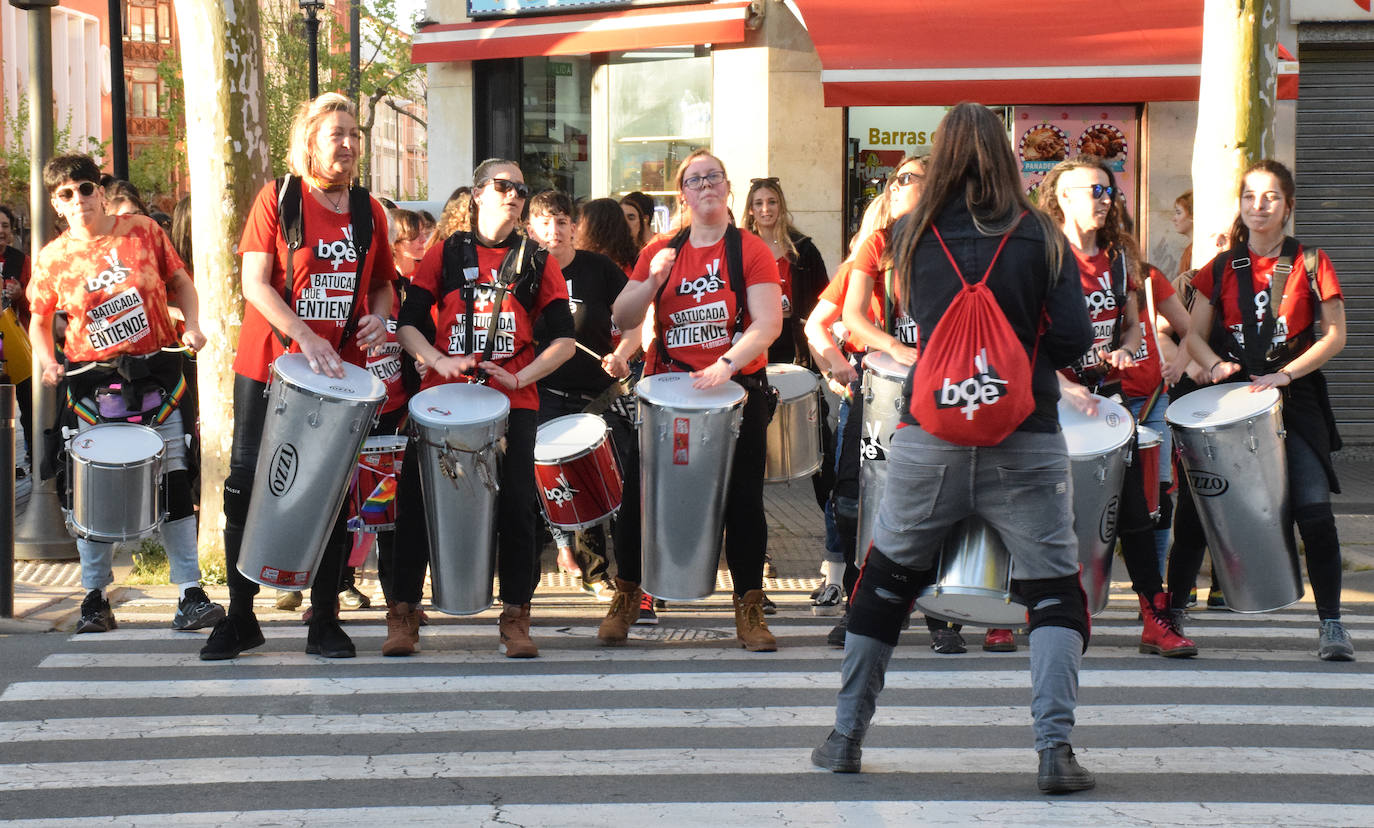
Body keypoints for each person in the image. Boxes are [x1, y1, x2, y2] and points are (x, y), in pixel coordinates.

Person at [811, 102, 1096, 794]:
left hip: (930, 432)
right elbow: (1075, 341)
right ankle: (1054, 750)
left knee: (887, 577)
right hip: (1024, 434)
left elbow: (900, 317)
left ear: (938, 159)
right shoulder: (1044, 238)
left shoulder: (909, 235)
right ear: (1005, 155)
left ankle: (845, 736)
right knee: (1055, 588)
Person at [200, 93, 396, 661]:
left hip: (340, 376)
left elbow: (384, 284)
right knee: (247, 485)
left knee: (331, 490)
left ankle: (325, 620)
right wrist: (303, 334)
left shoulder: (368, 210)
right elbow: (255, 284)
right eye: (337, 133)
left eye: (355, 134)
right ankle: (240, 617)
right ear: (309, 141)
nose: (349, 144)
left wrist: (380, 320)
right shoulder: (278, 198)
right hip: (269, 366)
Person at [26, 153, 224, 634]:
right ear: (56, 203)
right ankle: (94, 597)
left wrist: (193, 324)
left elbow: (181, 282)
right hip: (92, 385)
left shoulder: (142, 231)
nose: (79, 201)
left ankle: (189, 594)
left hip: (159, 377)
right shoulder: (53, 257)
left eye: (86, 189)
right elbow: (38, 319)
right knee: (92, 493)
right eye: (67, 194)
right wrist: (49, 362)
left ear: (100, 190)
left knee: (176, 481)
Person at [391, 158, 574, 659]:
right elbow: (408, 323)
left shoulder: (538, 259)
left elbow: (562, 341)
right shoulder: (446, 253)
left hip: (513, 400)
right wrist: (437, 361)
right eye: (502, 185)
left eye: (520, 188)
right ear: (476, 193)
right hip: (443, 401)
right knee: (415, 503)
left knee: (517, 508)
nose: (513, 194)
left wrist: (521, 376)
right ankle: (403, 611)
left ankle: (516, 614)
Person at [608, 149, 783, 651]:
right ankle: (625, 595)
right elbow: (623, 318)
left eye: (713, 177)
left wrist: (726, 364)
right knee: (640, 497)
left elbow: (767, 322)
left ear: (727, 188)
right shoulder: (662, 248)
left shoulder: (750, 250)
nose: (705, 185)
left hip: (736, 392)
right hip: (668, 394)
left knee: (743, 500)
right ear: (682, 193)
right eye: (694, 180)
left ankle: (749, 607)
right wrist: (652, 279)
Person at [1183, 159, 1354, 662]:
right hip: (1230, 400)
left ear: (1289, 206)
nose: (1259, 206)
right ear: (1240, 205)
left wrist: (1287, 374)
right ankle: (1171, 611)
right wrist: (1214, 366)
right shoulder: (1219, 266)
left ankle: (1332, 625)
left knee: (1315, 512)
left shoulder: (1311, 261)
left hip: (1294, 400)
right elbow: (1191, 333)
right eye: (1250, 197)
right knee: (1200, 506)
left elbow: (1337, 335)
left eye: (1271, 197)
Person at [1040, 154, 1196, 659]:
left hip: (1105, 400)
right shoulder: (1039, 256)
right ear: (1062, 196)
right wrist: (1061, 388)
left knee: (1133, 508)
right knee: (1038, 508)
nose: (1104, 200)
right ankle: (1018, 612)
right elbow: (1015, 338)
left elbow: (1131, 322)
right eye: (1093, 190)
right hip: (1047, 399)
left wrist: (1129, 346)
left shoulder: (1121, 259)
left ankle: (1155, 616)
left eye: (1108, 191)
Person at [526, 191, 643, 608]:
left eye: (561, 222)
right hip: (541, 392)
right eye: (544, 223)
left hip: (597, 394)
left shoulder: (599, 269)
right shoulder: (524, 271)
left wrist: (622, 354)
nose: (554, 231)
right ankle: (522, 587)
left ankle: (599, 572)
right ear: (530, 229)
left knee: (597, 481)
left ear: (575, 227)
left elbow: (634, 322)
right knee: (543, 485)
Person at [743, 177, 828, 367]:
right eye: (759, 203)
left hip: (796, 339)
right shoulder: (741, 249)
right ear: (751, 209)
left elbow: (824, 295)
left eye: (772, 202)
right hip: (753, 338)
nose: (766, 209)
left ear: (781, 205)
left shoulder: (803, 249)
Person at [1, 204, 34, 467]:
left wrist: (20, 294)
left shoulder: (20, 260)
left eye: (4, 226)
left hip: (19, 344)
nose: (1, 231)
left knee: (29, 403)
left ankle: (34, 456)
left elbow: (34, 306)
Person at [1173, 190, 1193, 276]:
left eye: (1178, 212)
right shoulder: (1189, 250)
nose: (1174, 218)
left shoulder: (1195, 250)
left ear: (1192, 216)